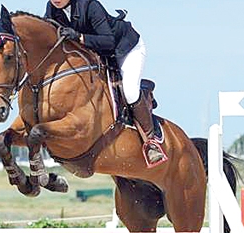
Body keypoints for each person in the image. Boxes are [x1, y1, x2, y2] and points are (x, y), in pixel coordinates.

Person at [44, 0, 166, 167]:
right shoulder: (52, 8)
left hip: (125, 48)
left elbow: (108, 41)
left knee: (129, 91)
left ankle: (151, 142)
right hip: (100, 55)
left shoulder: (90, 5)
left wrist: (80, 37)